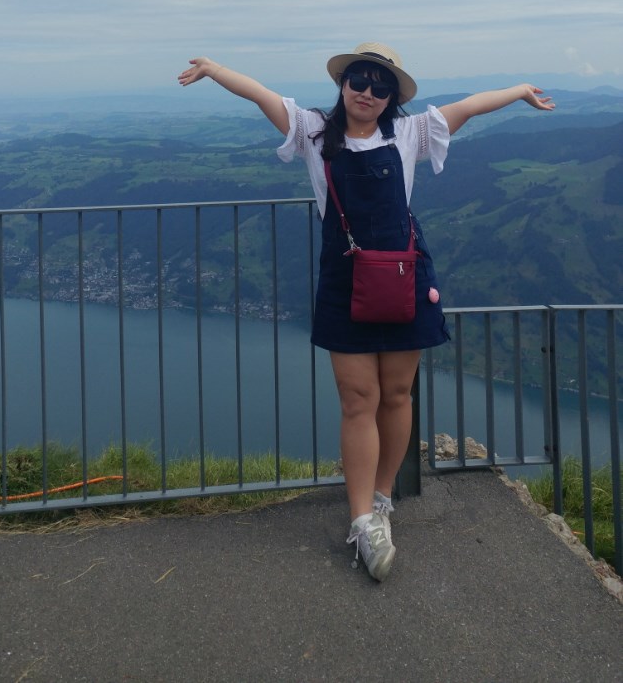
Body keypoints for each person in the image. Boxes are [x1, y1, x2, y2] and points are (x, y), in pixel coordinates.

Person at [178, 41, 555, 581]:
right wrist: (215, 70)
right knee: (359, 399)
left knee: (396, 394)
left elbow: (469, 107)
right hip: (346, 280)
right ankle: (361, 521)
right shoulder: (313, 131)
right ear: (343, 83)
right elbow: (261, 95)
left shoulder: (409, 133)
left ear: (392, 97)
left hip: (402, 276)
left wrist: (519, 91)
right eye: (359, 80)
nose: (368, 92)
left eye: (381, 87)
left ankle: (381, 500)